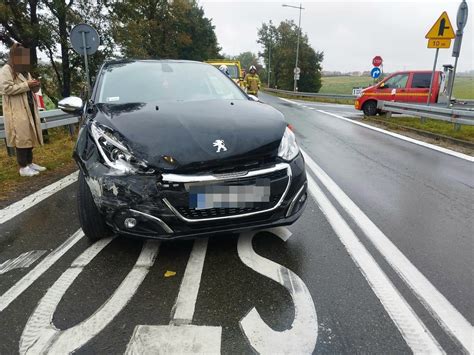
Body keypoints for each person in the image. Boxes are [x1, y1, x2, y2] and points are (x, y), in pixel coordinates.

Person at [0, 43, 45, 177]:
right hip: (17, 109)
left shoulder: (25, 71)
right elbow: (5, 89)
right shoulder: (6, 70)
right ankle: (23, 167)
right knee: (21, 138)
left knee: (30, 136)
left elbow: (31, 87)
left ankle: (30, 163)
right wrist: (27, 85)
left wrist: (36, 85)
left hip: (29, 107)